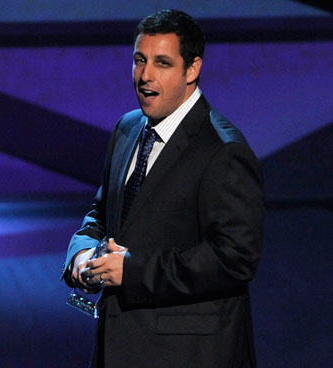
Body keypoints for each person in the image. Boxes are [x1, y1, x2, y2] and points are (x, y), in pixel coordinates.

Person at [62, 9, 264, 368]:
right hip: (119, 348)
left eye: (162, 63)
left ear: (193, 68)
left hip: (188, 355)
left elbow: (235, 258)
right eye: (139, 60)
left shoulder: (223, 149)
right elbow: (101, 214)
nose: (145, 76)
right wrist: (82, 256)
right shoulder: (127, 129)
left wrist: (134, 270)